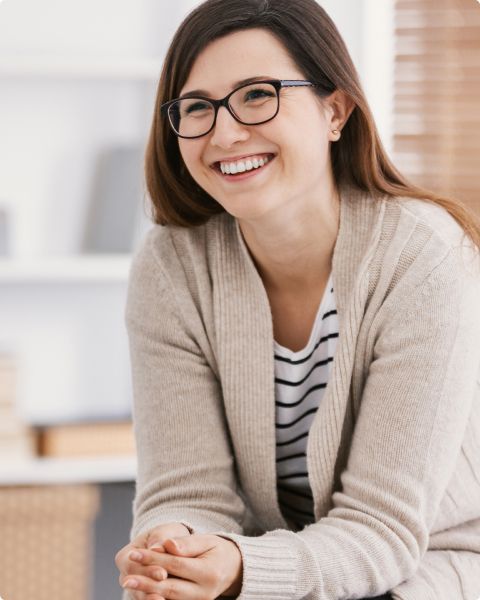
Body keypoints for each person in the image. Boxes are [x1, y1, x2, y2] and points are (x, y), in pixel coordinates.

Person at [115, 0, 480, 598]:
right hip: (268, 563)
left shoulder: (423, 255)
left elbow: (382, 530)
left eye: (258, 95)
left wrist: (237, 568)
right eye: (198, 106)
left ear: (334, 111)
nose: (224, 132)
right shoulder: (171, 265)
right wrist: (172, 553)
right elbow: (187, 493)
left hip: (434, 560)